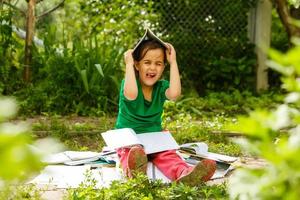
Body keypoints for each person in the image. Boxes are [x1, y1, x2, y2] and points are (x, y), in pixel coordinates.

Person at [115, 38, 216, 186]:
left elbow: (174, 94)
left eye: (158, 63)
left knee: (168, 156)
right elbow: (131, 94)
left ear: (163, 68)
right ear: (137, 65)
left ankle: (184, 173)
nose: (153, 68)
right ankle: (136, 174)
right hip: (129, 140)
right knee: (129, 154)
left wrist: (173, 62)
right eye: (147, 62)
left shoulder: (161, 87)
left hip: (154, 138)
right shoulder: (130, 85)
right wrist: (129, 64)